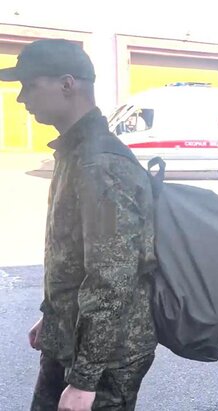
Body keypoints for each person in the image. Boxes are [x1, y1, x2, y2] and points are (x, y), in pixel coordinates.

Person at [0, 39, 157, 411]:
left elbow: (111, 280)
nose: (21, 98)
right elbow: (70, 254)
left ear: (67, 84)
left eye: (30, 85)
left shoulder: (100, 162)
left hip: (106, 359)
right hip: (71, 339)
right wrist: (51, 315)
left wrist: (84, 382)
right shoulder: (76, 151)